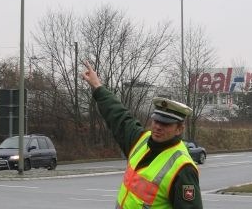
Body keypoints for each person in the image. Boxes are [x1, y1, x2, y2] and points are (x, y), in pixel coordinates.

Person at [81, 61, 203, 209]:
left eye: (165, 124)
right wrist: (98, 87)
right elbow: (118, 116)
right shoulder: (141, 140)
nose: (158, 126)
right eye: (156, 121)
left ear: (179, 129)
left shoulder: (183, 168)